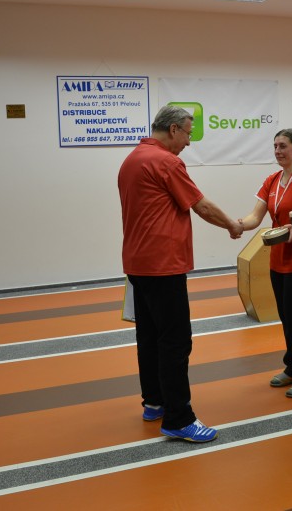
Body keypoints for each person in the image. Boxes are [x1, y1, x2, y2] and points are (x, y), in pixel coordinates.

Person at [118, 105, 243, 443]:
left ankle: (154, 402)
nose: (188, 142)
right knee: (175, 340)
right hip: (163, 264)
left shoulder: (132, 159)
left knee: (149, 336)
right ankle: (179, 418)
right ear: (173, 129)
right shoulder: (166, 162)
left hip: (138, 263)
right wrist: (232, 225)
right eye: (188, 133)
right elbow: (200, 205)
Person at [238, 129, 292, 398]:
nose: (278, 151)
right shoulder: (272, 180)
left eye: (283, 146)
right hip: (278, 258)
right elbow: (255, 217)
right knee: (286, 316)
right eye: (275, 146)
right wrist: (236, 225)